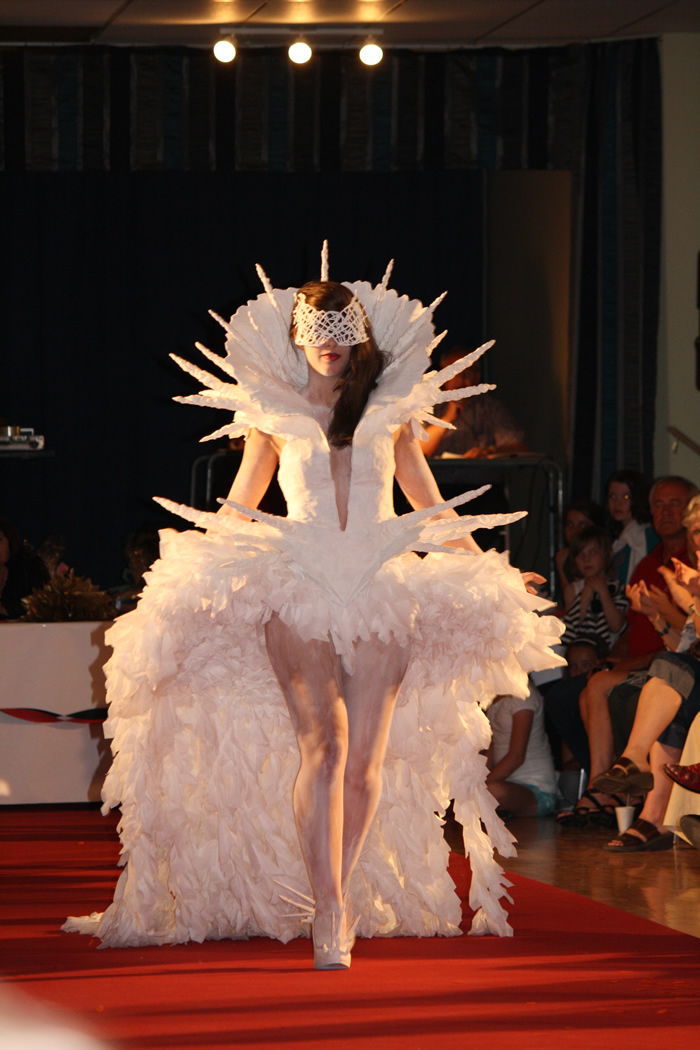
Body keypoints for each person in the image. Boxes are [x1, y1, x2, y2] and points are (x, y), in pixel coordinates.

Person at [63, 248, 563, 968]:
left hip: (381, 589)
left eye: (340, 331)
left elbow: (429, 506)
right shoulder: (272, 413)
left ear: (359, 338)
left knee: (365, 762)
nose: (329, 344)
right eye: (316, 331)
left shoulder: (391, 412)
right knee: (322, 746)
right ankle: (330, 909)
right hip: (298, 585)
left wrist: (485, 568)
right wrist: (194, 572)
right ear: (297, 337)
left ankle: (344, 890)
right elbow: (240, 504)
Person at [420, 346, 526, 459]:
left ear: (476, 377)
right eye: (452, 373)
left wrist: (488, 451)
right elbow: (419, 451)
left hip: (479, 475)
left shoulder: (490, 408)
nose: (459, 379)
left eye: (466, 373)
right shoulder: (428, 407)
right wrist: (447, 419)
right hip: (439, 476)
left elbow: (519, 448)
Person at [484, 683, 557, 817]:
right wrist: (477, 781)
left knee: (493, 791)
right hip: (505, 782)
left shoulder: (523, 695)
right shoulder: (493, 698)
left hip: (535, 787)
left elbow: (516, 756)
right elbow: (492, 747)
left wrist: (481, 787)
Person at [560, 526, 628, 652]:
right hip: (579, 651)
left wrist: (603, 593)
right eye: (581, 554)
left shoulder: (617, 588)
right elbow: (570, 627)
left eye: (593, 552)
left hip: (610, 651)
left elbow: (617, 626)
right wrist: (584, 598)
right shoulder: (572, 589)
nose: (586, 559)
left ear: (608, 555)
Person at [606, 469, 657, 586]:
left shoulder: (647, 535)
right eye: (612, 496)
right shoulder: (618, 539)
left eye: (625, 497)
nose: (617, 503)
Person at [554, 499, 606, 599]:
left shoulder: (605, 553)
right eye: (570, 525)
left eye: (582, 525)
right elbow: (569, 601)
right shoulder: (562, 557)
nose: (575, 530)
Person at [0, 514, 48, 620]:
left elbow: (41, 607)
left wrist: (5, 609)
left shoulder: (30, 568)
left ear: (10, 541)